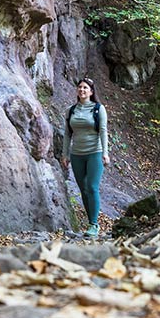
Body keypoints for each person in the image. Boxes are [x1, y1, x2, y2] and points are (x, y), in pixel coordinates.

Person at [61, 77, 110, 239]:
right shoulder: (71, 110)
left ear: (91, 92)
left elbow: (103, 130)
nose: (82, 90)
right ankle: (91, 223)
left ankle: (94, 224)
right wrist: (65, 154)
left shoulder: (98, 108)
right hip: (77, 154)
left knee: (92, 186)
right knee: (83, 189)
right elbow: (68, 134)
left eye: (85, 88)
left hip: (94, 152)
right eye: (80, 87)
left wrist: (105, 152)